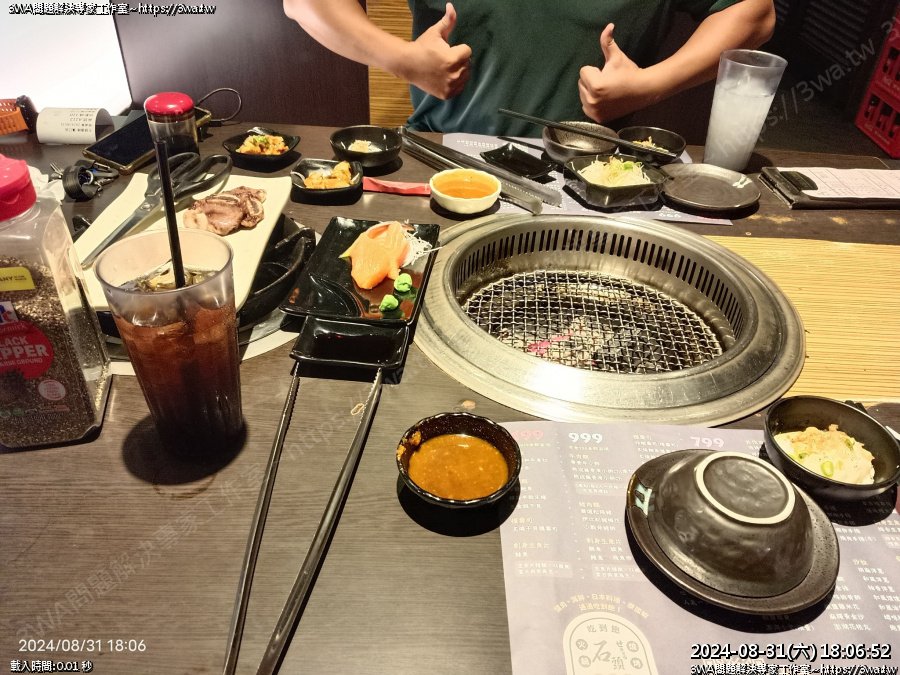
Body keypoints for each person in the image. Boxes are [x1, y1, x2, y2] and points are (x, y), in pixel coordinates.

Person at [283, 0, 776, 136]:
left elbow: (754, 12)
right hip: (442, 154)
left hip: (595, 171)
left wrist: (650, 86)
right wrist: (401, 59)